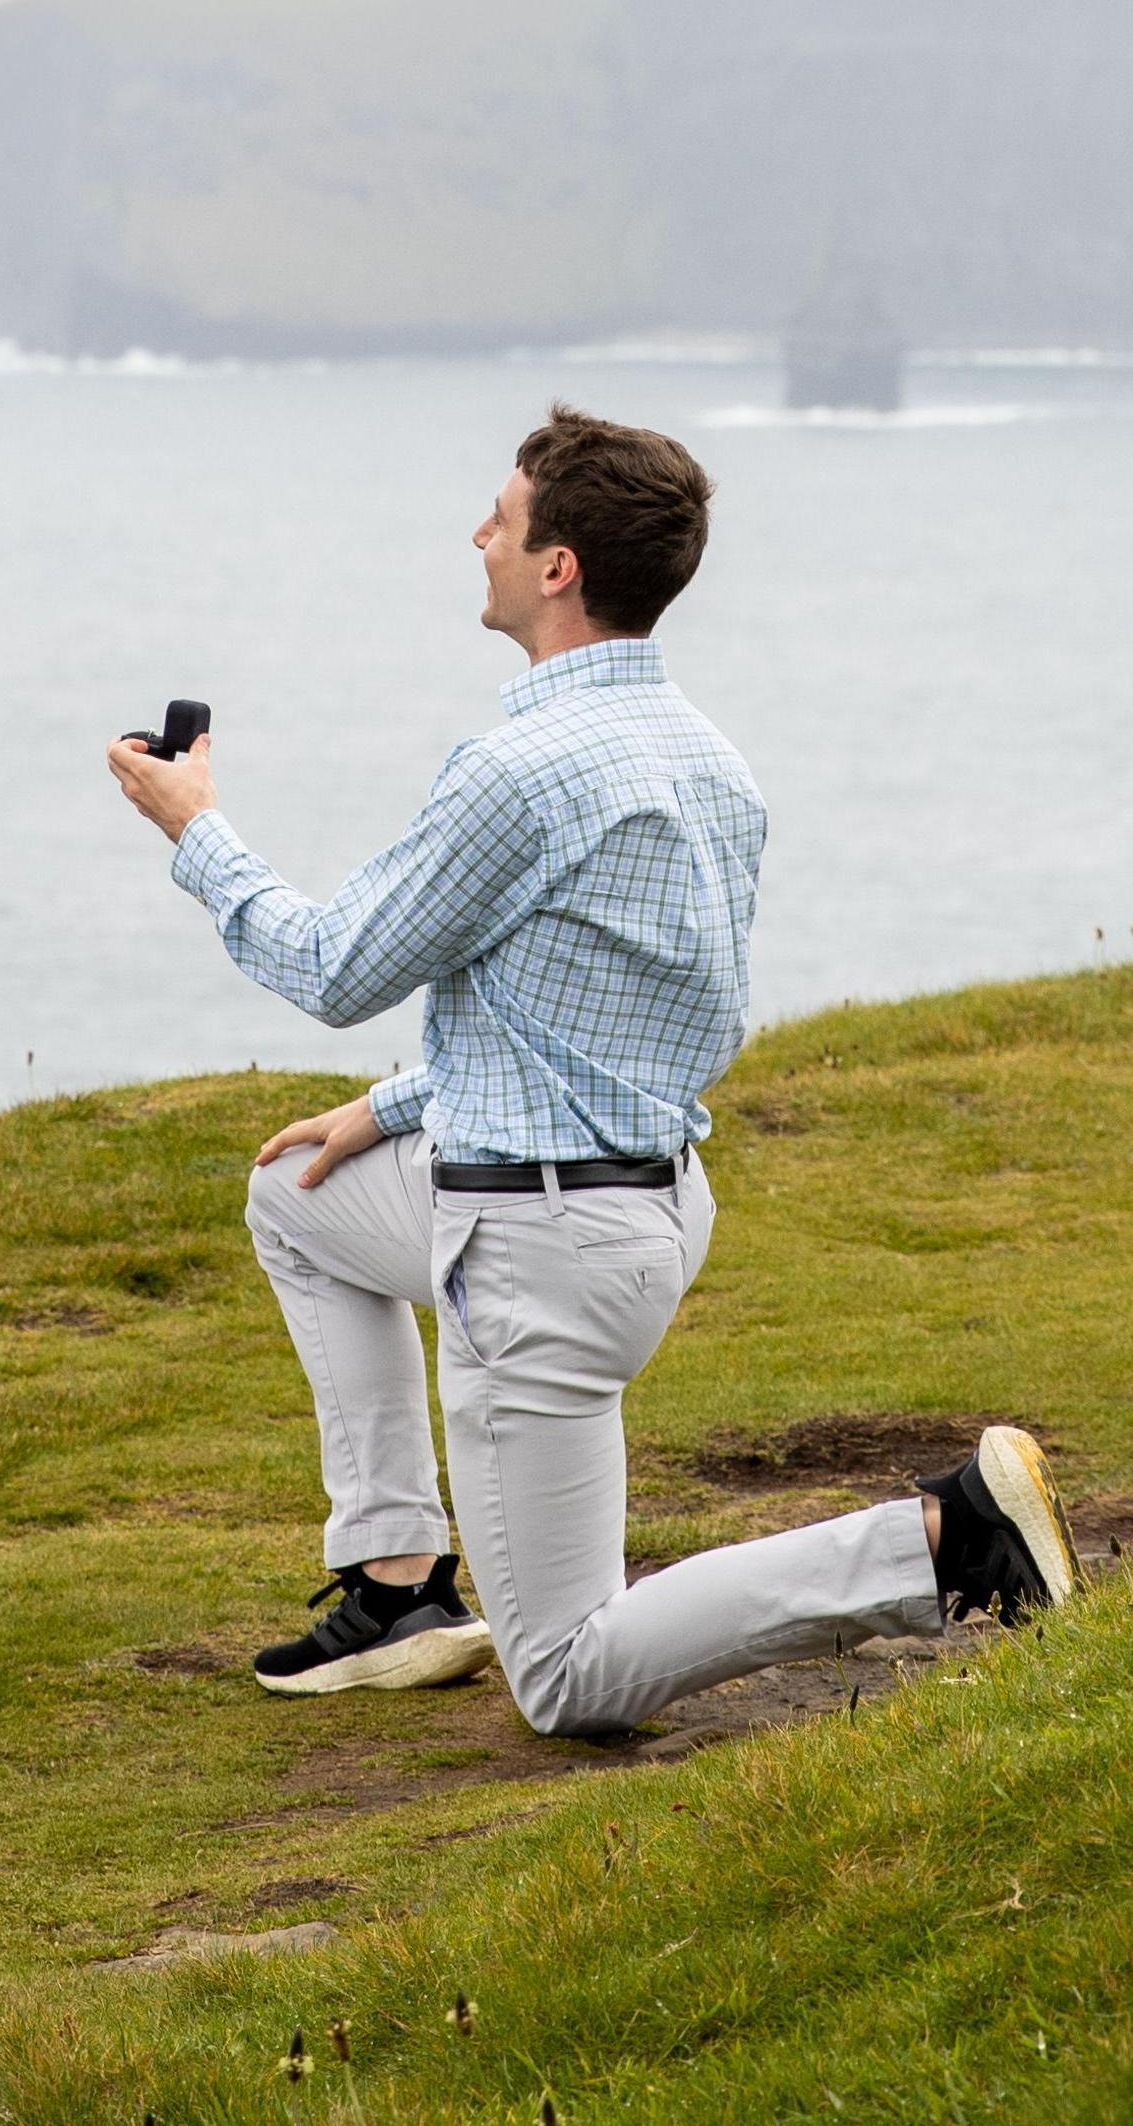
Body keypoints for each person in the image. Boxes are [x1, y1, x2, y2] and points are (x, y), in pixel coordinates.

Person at [106, 402, 1074, 1730]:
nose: (477, 533)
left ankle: (940, 1540)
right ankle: (396, 1584)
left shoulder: (517, 770)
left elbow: (334, 968)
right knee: (299, 1200)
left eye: (499, 517)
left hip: (541, 1249)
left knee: (566, 1678)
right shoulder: (709, 759)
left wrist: (194, 828)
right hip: (637, 1204)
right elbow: (620, 1019)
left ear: (556, 564)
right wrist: (392, 1105)